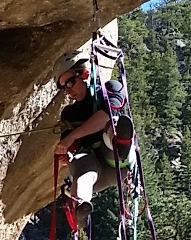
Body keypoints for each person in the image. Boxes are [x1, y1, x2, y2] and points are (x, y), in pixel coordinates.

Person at [52, 52, 136, 207]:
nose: (68, 91)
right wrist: (67, 154)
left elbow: (105, 116)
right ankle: (80, 204)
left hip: (115, 159)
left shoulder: (111, 88)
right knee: (83, 170)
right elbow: (69, 147)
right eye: (64, 87)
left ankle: (119, 144)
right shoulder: (69, 113)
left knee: (113, 122)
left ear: (84, 74)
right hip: (94, 168)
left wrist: (72, 136)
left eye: (70, 83)